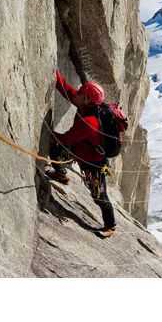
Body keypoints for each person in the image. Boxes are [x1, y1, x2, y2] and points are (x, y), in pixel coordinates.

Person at [47, 70, 116, 239]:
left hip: (93, 163)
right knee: (56, 149)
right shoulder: (87, 106)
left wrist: (46, 133)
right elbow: (68, 92)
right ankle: (61, 173)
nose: (76, 94)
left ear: (86, 99)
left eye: (80, 93)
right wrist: (54, 74)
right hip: (82, 151)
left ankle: (110, 226)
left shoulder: (90, 122)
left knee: (99, 196)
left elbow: (66, 138)